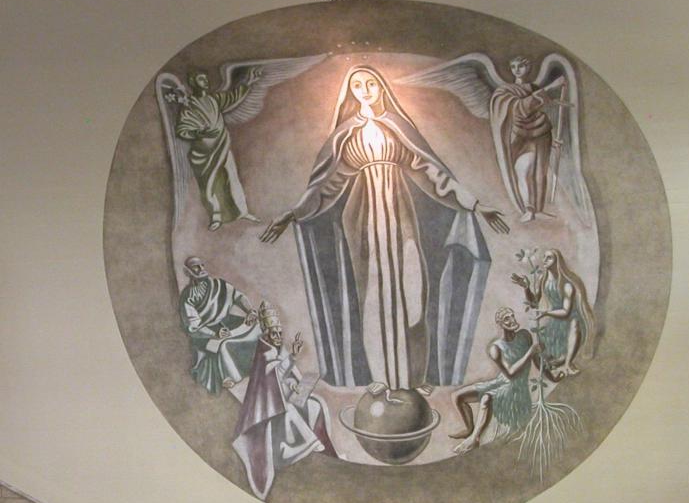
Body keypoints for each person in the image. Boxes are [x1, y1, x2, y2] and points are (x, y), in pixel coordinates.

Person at [261, 65, 509, 390]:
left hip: (402, 216)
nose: (364, 90)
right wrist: (293, 213)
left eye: (370, 83)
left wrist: (474, 204)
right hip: (364, 221)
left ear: (381, 86)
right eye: (357, 85)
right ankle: (381, 379)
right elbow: (326, 185)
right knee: (374, 299)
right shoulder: (346, 135)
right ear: (351, 93)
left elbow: (433, 172)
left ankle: (413, 377)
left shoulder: (398, 127)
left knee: (413, 295)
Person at [232, 301, 337, 500]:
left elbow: (282, 377)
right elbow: (271, 380)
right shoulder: (264, 353)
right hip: (270, 412)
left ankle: (323, 450)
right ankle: (310, 445)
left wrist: (293, 385)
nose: (279, 337)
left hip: (282, 398)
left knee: (316, 404)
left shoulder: (276, 348)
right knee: (293, 414)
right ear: (266, 333)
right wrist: (292, 363)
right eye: (275, 334)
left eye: (280, 333)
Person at [451, 307, 554, 449]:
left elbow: (537, 362)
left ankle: (474, 438)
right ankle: (469, 429)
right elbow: (510, 373)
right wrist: (530, 352)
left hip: (516, 388)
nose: (512, 320)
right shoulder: (496, 348)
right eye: (506, 319)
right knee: (458, 397)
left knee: (486, 398)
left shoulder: (525, 336)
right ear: (500, 324)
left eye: (512, 316)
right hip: (503, 381)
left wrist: (551, 375)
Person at [175, 67, 261, 231]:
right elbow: (182, 130)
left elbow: (233, 97)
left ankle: (242, 211)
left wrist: (249, 81)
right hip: (204, 152)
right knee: (209, 184)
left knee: (231, 177)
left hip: (222, 145)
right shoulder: (189, 106)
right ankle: (216, 217)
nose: (205, 81)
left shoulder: (214, 99)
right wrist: (199, 132)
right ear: (193, 83)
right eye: (201, 79)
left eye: (205, 78)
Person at [489, 56, 566, 222]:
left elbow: (543, 110)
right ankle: (529, 209)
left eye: (521, 66)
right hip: (519, 137)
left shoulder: (534, 89)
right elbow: (521, 108)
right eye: (513, 66)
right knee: (523, 170)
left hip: (540, 134)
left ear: (528, 67)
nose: (517, 70)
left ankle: (536, 209)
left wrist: (554, 141)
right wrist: (551, 87)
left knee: (538, 172)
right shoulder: (504, 91)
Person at [179, 257, 262, 394]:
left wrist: (250, 311)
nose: (201, 269)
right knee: (225, 345)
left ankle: (258, 365)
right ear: (187, 272)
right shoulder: (187, 296)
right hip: (204, 333)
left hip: (226, 322)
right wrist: (215, 334)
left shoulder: (218, 285)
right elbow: (194, 327)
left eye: (202, 265)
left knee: (258, 328)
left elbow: (238, 297)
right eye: (196, 267)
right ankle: (230, 377)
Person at [511, 248, 595, 376]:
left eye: (549, 258)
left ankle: (568, 364)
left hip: (569, 319)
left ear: (557, 261)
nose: (544, 260)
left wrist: (546, 313)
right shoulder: (542, 279)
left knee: (574, 325)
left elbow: (566, 312)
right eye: (544, 257)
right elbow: (534, 303)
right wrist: (526, 288)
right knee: (547, 355)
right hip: (555, 320)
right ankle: (559, 362)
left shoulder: (566, 284)